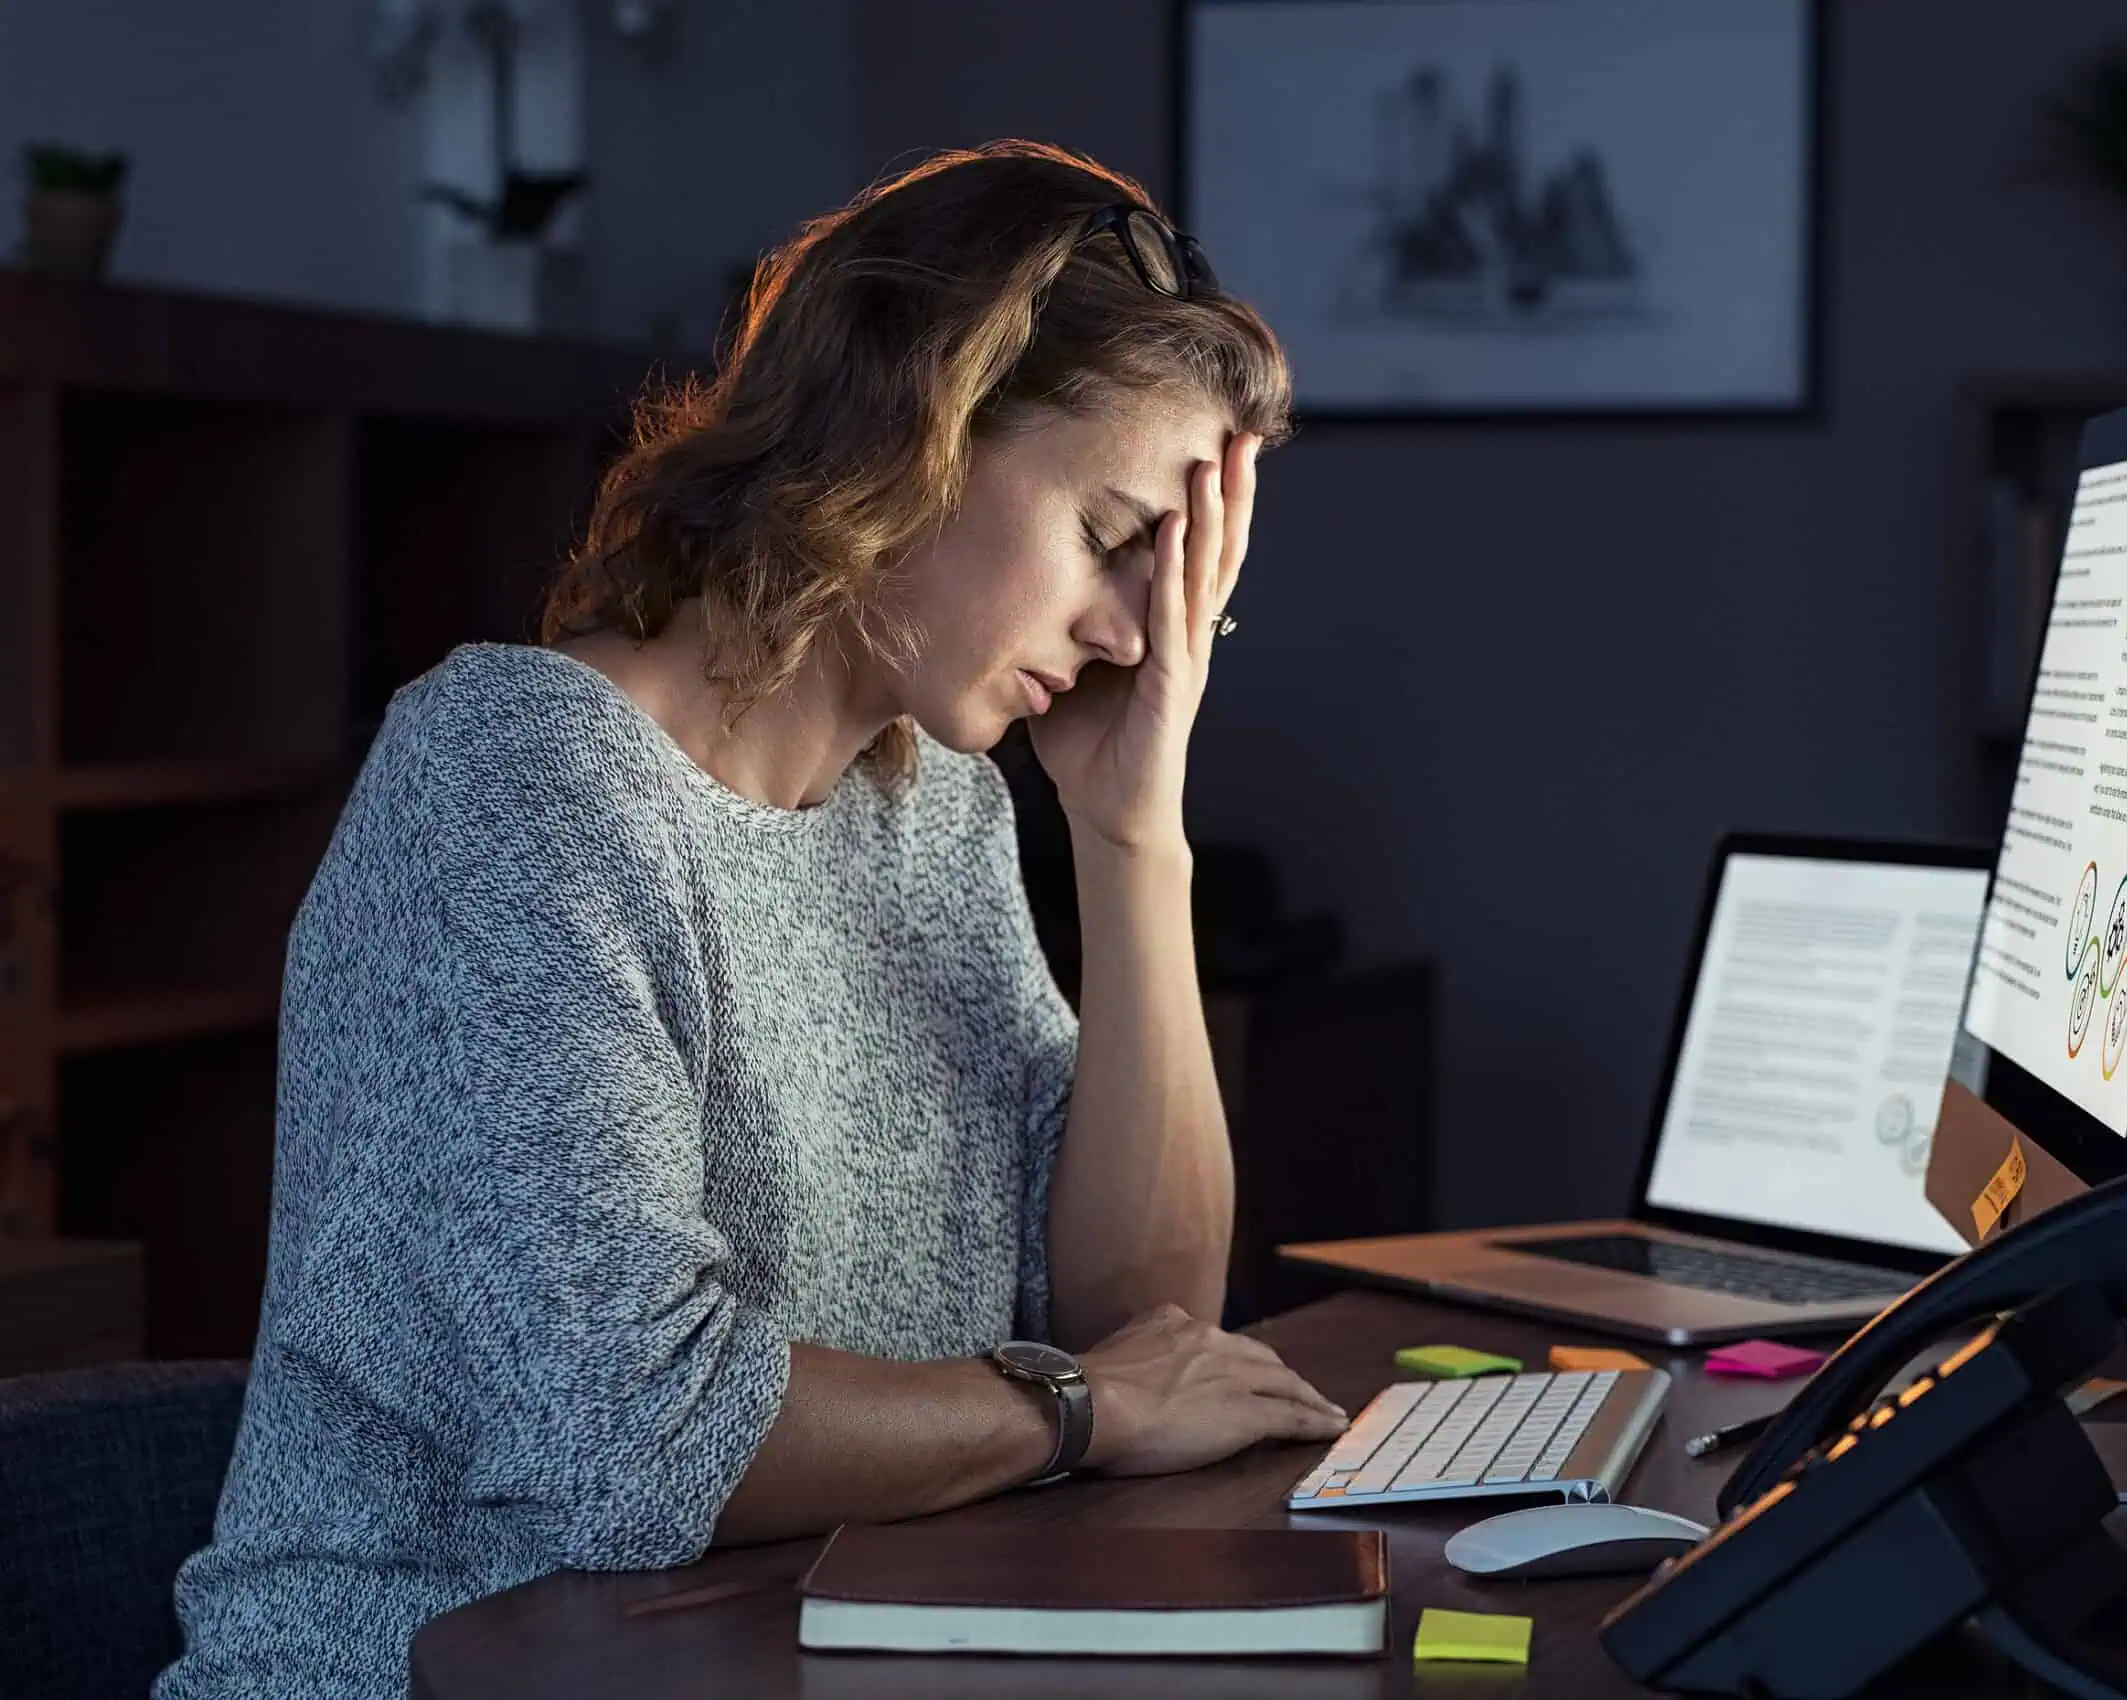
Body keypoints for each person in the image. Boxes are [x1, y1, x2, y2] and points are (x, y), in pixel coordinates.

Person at [154, 140, 1348, 1700]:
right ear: (916, 427)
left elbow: (1145, 1323)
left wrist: (1134, 835)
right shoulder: (517, 783)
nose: (1138, 631)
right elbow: (642, 1438)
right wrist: (1077, 1413)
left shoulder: (933, 810)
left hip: (795, 1661)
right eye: (1118, 541)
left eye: (1181, 590)